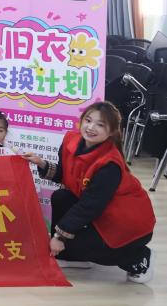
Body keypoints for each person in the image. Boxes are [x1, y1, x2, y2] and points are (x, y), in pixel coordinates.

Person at [24, 101, 155, 281]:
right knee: (61, 196)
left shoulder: (109, 164)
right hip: (102, 212)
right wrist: (41, 163)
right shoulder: (71, 139)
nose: (91, 127)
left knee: (73, 244)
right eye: (88, 120)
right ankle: (71, 256)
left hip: (127, 224)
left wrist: (59, 237)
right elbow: (65, 174)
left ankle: (139, 259)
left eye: (100, 124)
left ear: (112, 131)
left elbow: (90, 206)